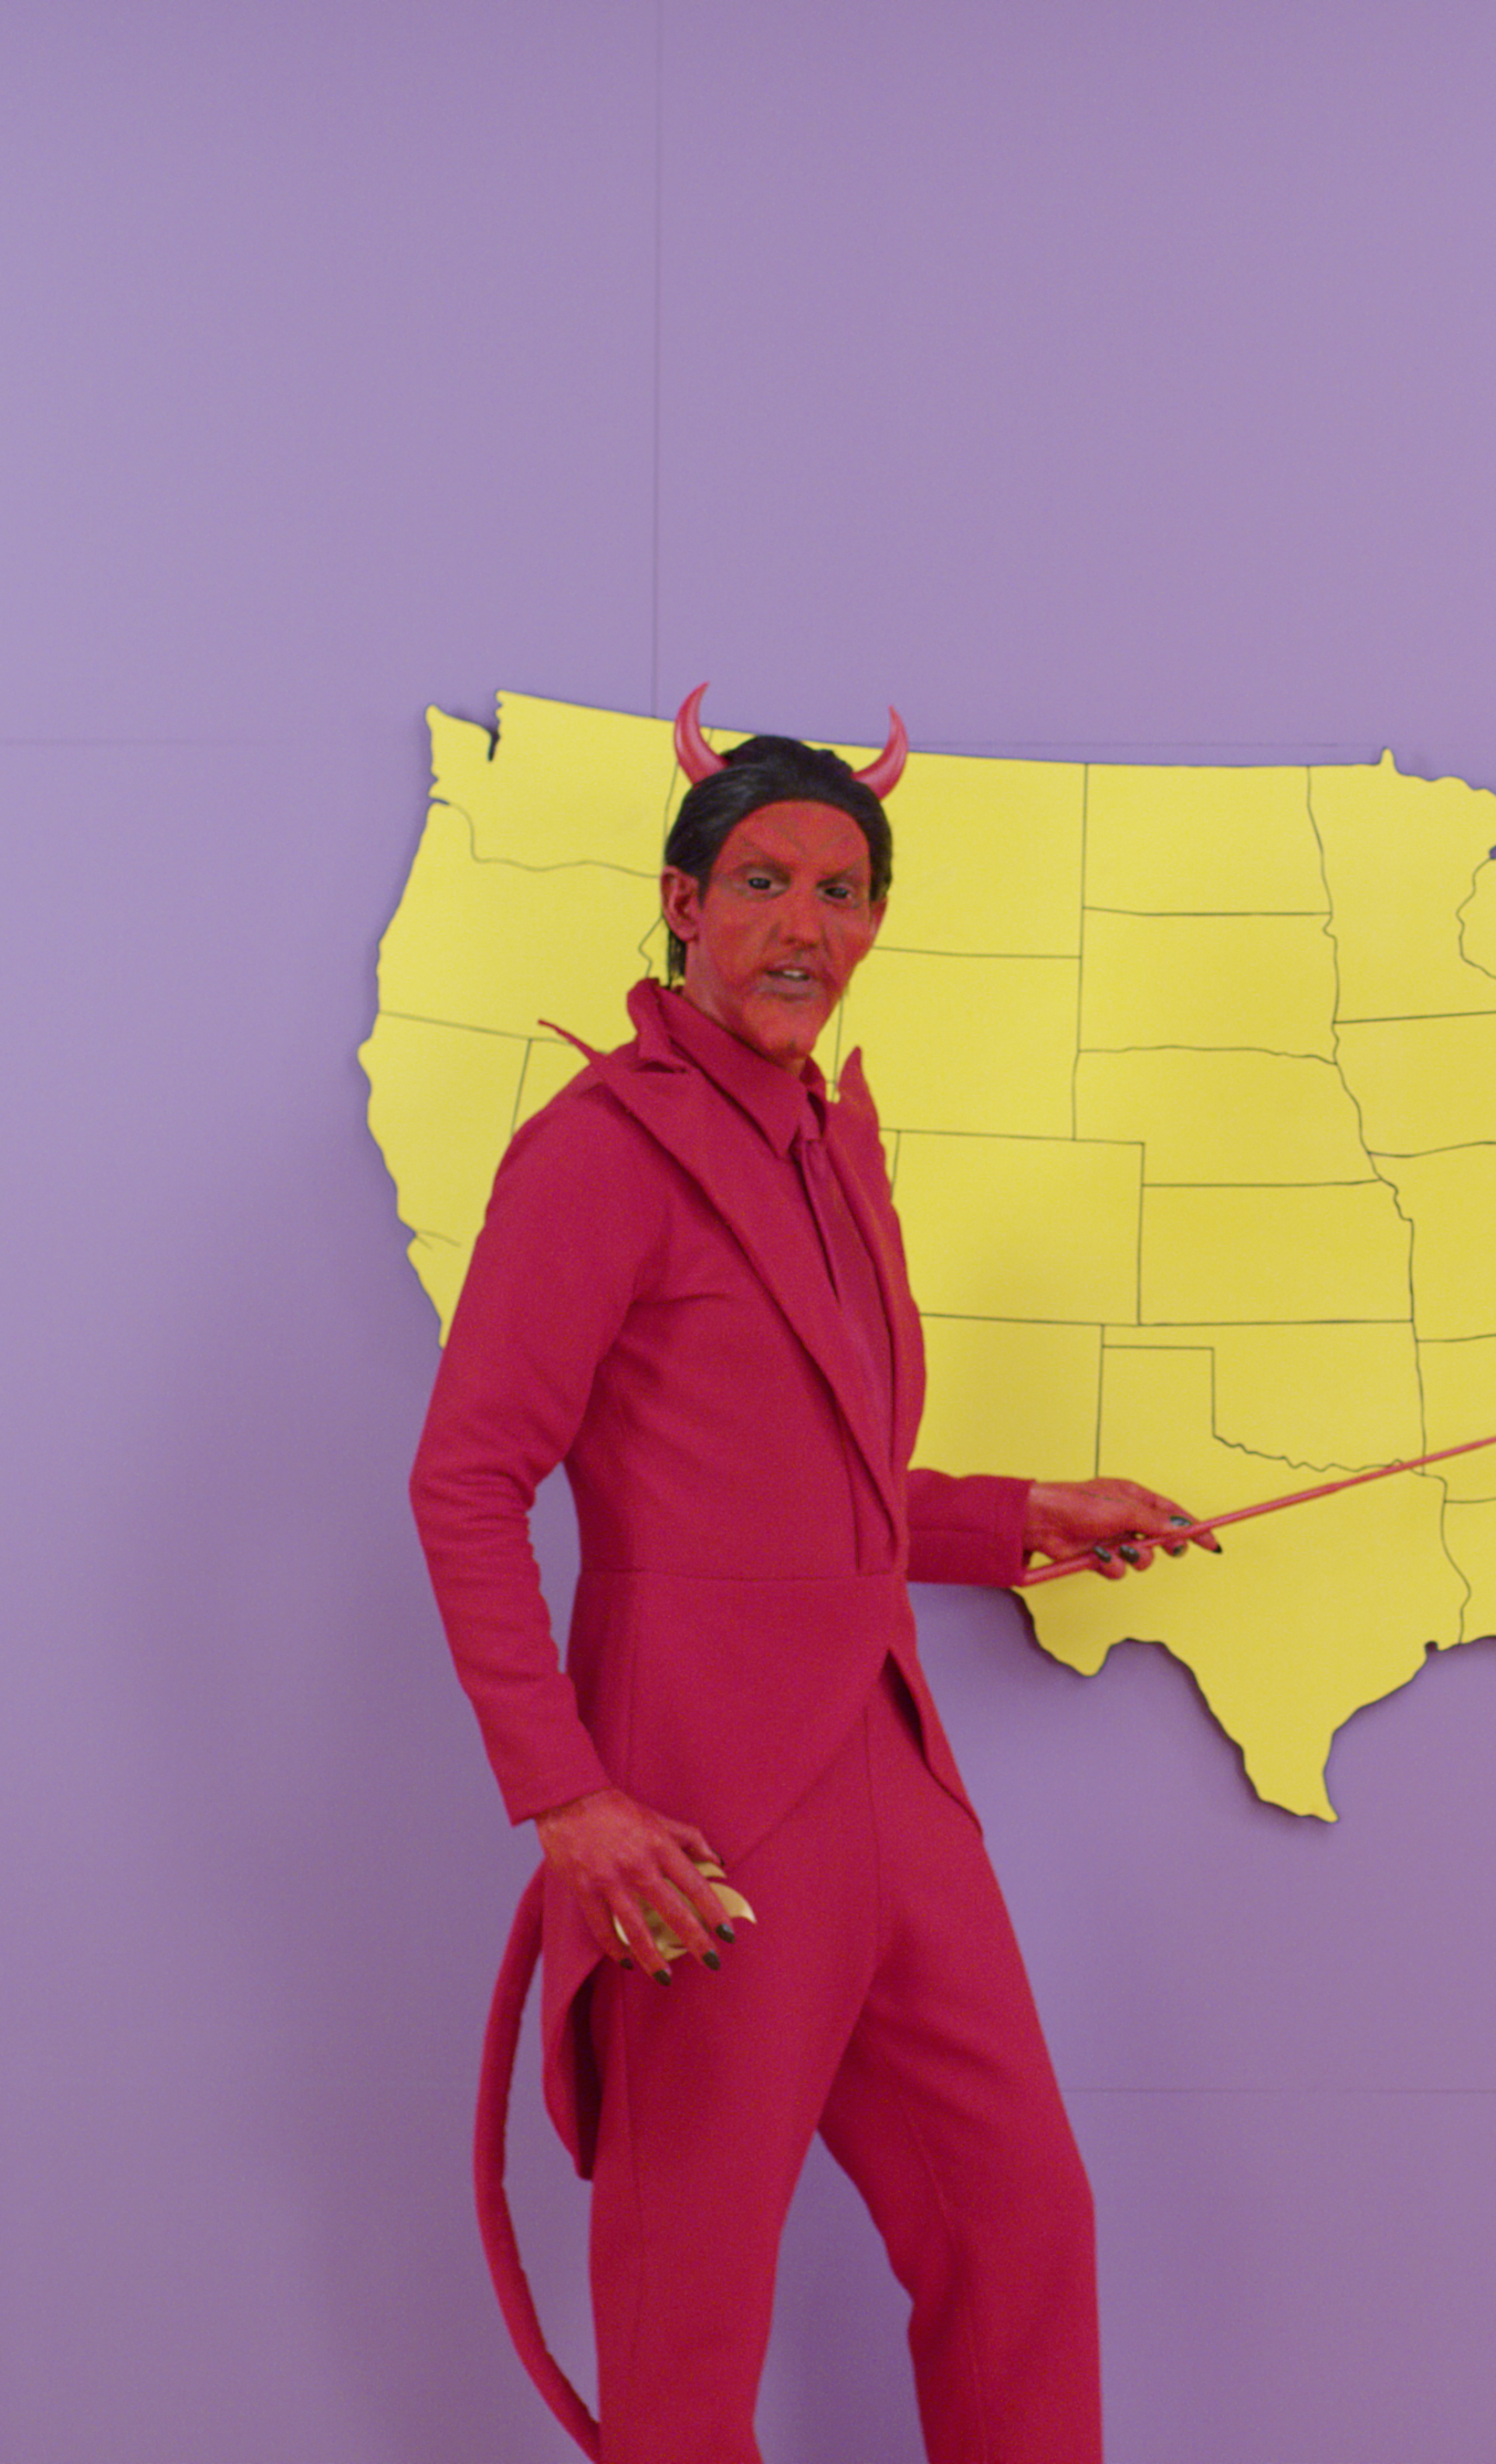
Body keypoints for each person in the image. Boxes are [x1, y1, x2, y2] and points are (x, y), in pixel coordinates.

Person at [411, 690, 1207, 2464]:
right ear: (684, 903)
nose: (806, 927)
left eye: (843, 892)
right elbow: (465, 1482)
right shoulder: (600, 1156)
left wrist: (1017, 1523)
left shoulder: (833, 1149)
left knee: (1020, 2226)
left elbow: (805, 1498)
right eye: (762, 880)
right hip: (698, 1812)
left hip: (890, 1779)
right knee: (690, 2313)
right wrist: (570, 1801)